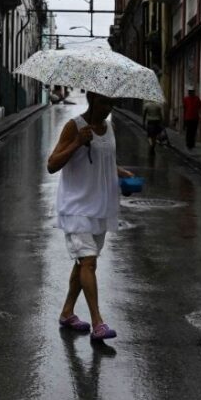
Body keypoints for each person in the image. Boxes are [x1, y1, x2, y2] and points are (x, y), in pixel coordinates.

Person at [47, 91, 135, 341]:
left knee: (84, 262)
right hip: (76, 207)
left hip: (100, 208)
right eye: (104, 102)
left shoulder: (109, 127)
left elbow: (105, 162)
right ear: (92, 99)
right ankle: (98, 323)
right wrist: (76, 143)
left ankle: (67, 313)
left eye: (112, 103)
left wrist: (123, 176)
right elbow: (51, 164)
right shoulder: (74, 126)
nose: (109, 108)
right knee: (89, 262)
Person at [182, 86, 201, 151]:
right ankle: (188, 143)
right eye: (190, 91)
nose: (190, 93)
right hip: (188, 117)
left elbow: (199, 107)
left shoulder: (196, 99)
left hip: (194, 117)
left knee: (193, 131)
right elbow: (184, 108)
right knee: (189, 131)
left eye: (191, 91)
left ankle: (192, 143)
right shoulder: (186, 99)